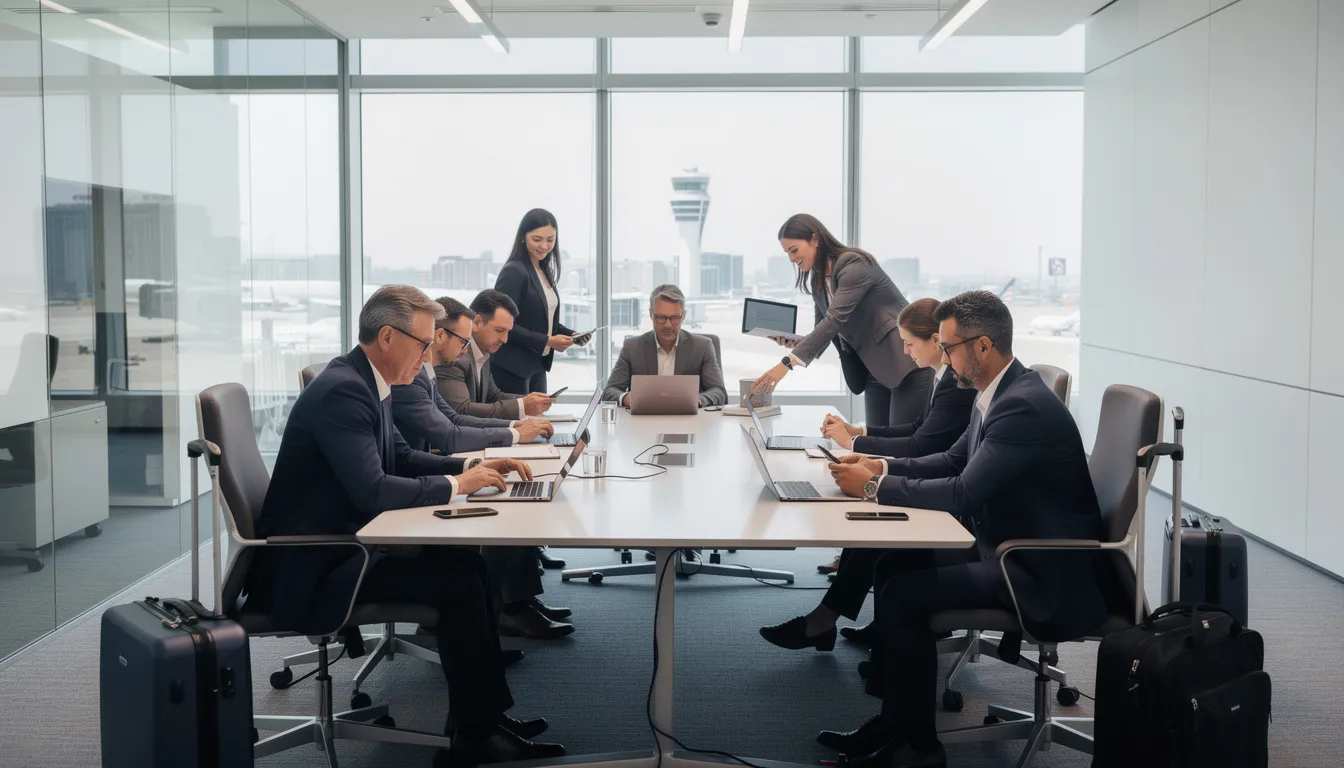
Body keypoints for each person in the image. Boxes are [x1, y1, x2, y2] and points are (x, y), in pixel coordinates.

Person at [250, 285, 565, 763]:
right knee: (458, 584)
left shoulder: (367, 381)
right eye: (423, 343)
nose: (428, 354)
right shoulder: (344, 391)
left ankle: (482, 719)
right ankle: (473, 737)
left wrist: (468, 469)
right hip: (322, 562)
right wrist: (459, 487)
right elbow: (375, 490)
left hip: (349, 542)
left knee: (468, 564)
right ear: (387, 337)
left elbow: (399, 455)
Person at [817, 291, 1113, 768]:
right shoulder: (996, 392)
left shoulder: (1021, 406)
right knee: (893, 565)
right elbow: (954, 459)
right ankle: (895, 722)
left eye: (950, 346)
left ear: (982, 346)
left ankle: (918, 747)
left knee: (905, 595)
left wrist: (874, 488)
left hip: (1038, 567)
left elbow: (962, 493)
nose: (945, 355)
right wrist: (881, 464)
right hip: (1007, 546)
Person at [758, 298, 975, 651]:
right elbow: (920, 428)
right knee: (868, 526)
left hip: (948, 500)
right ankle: (846, 623)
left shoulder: (956, 382)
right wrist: (861, 436)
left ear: (936, 341)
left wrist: (862, 448)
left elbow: (923, 444)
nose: (904, 352)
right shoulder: (943, 377)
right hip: (938, 481)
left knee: (874, 528)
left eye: (908, 343)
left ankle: (824, 622)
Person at [409, 295, 574, 639]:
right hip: (422, 474)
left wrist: (515, 423)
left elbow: (455, 417)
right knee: (510, 504)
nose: (503, 338)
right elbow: (451, 427)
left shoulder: (440, 366)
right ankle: (507, 608)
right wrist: (513, 430)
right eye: (498, 329)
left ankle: (516, 602)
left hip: (436, 461)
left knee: (520, 491)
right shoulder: (422, 373)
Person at [751, 214, 932, 430]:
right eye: (787, 253)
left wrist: (787, 364)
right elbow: (824, 328)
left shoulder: (854, 264)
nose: (791, 259)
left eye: (794, 250)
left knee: (902, 445)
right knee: (875, 444)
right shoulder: (817, 279)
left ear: (815, 240)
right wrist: (796, 342)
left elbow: (835, 319)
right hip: (874, 369)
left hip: (905, 362)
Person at [391, 297, 554, 453]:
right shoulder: (411, 377)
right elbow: (451, 433)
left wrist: (515, 426)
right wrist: (515, 434)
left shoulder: (426, 371)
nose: (467, 349)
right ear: (440, 336)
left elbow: (454, 418)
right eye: (464, 342)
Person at [492, 208, 591, 394]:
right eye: (537, 239)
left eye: (550, 240)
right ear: (523, 237)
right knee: (520, 422)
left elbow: (541, 319)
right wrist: (548, 341)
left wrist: (570, 334)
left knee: (539, 421)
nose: (544, 246)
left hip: (537, 366)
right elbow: (503, 325)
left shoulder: (544, 271)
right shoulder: (514, 271)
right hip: (512, 368)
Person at [602, 284, 727, 407]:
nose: (667, 325)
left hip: (688, 423)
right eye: (661, 317)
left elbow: (719, 392)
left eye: (674, 318)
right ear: (651, 314)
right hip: (644, 423)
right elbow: (609, 391)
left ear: (683, 316)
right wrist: (626, 398)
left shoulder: (702, 347)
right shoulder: (632, 347)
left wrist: (697, 400)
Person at [437, 290, 556, 420]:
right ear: (477, 322)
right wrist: (522, 406)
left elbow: (492, 397)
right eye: (499, 331)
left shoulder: (484, 352)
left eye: (507, 332)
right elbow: (461, 410)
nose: (504, 339)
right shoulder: (455, 356)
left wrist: (530, 400)